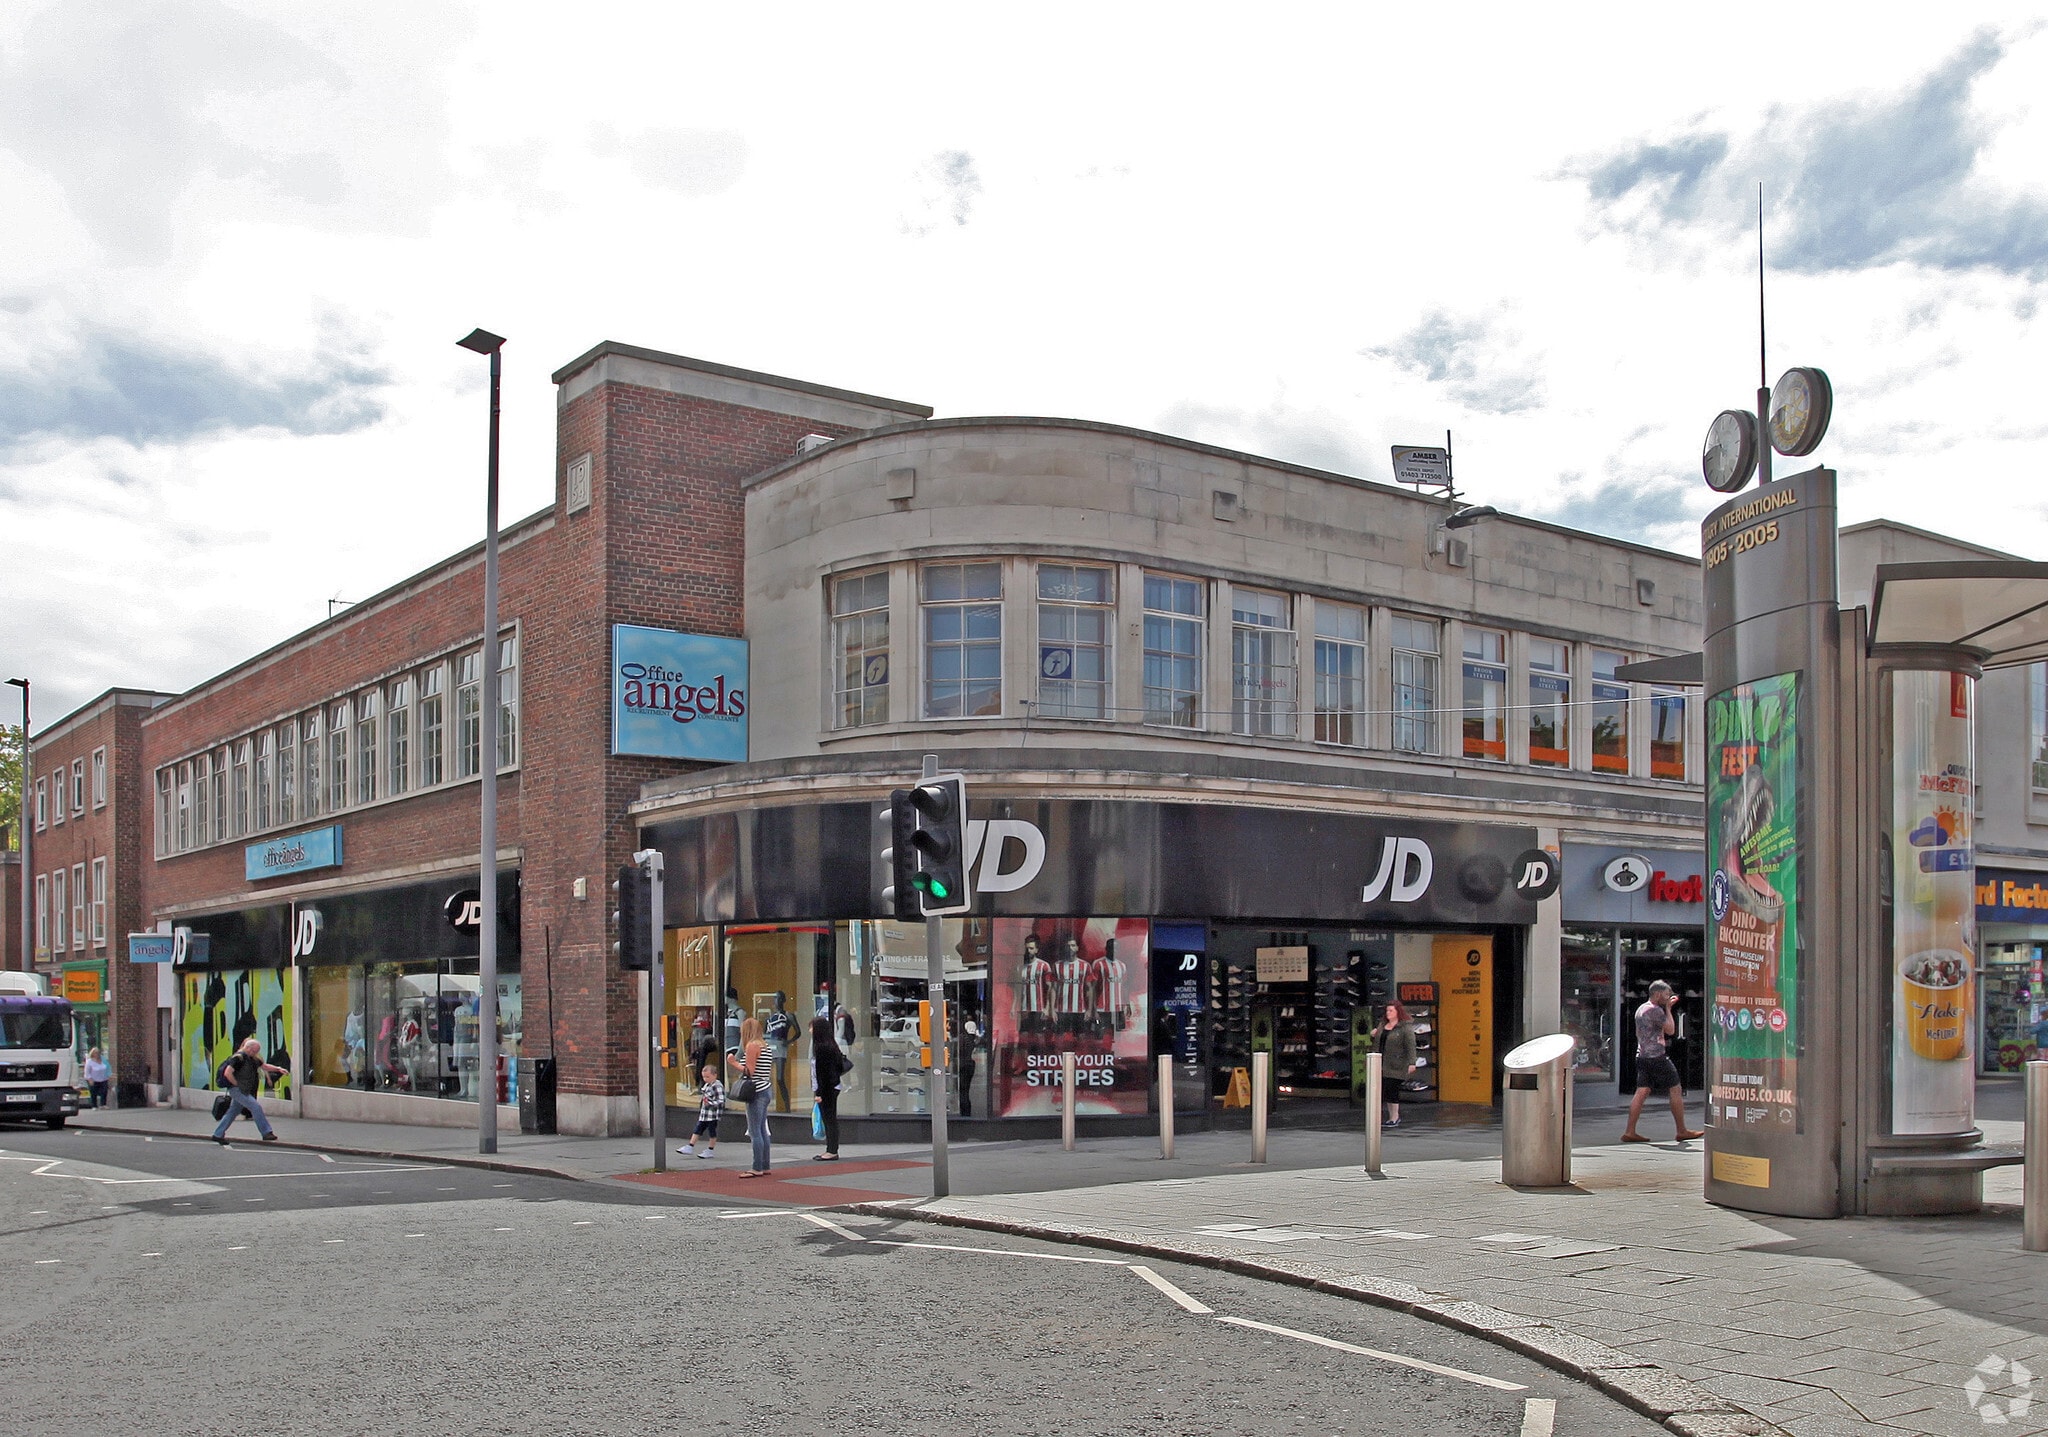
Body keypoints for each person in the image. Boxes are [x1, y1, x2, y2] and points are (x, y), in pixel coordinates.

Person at [1623, 980, 1704, 1143]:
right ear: (1658, 994)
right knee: (1675, 1089)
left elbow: (1642, 1032)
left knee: (1642, 1091)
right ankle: (1681, 1130)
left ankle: (1630, 1131)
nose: (1668, 998)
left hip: (1642, 1055)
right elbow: (1671, 1030)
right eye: (1667, 995)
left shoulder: (1641, 1009)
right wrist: (1668, 1008)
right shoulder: (1655, 1010)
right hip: (1657, 1056)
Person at [212, 1037, 285, 1144]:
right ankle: (266, 1132)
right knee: (255, 1107)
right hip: (238, 1090)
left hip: (242, 1089)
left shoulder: (252, 1058)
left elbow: (264, 1066)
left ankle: (218, 1134)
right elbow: (228, 1073)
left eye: (256, 1051)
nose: (255, 1053)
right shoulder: (237, 1058)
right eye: (255, 1051)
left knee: (233, 1112)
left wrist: (278, 1069)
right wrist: (236, 1084)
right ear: (249, 1048)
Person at [727, 1016, 776, 1177]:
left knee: (755, 1131)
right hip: (766, 1088)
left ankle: (756, 1167)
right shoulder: (765, 1046)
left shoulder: (752, 1046)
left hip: (755, 1090)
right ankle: (765, 1165)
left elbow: (750, 1071)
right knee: (762, 1129)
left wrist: (734, 1063)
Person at [809, 1015, 849, 1161]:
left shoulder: (821, 1048)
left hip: (827, 1088)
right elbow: (837, 1067)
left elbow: (822, 1073)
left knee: (829, 1118)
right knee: (829, 1118)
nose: (810, 1030)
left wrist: (819, 1093)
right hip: (833, 1086)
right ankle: (831, 1149)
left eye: (812, 1027)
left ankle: (831, 1150)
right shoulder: (831, 1045)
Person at [1373, 1002, 1418, 1129]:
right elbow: (1378, 1042)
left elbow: (1410, 1046)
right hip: (1381, 1061)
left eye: (1391, 1011)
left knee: (1392, 1088)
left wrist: (1412, 1062)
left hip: (1396, 1063)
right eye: (1387, 1011)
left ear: (1398, 1012)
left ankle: (1395, 1116)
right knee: (1385, 1090)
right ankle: (1390, 1116)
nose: (1388, 1013)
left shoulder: (1404, 1027)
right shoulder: (1382, 1025)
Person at [678, 1063, 723, 1159]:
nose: (705, 1079)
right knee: (697, 1129)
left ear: (715, 1075)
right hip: (704, 1114)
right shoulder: (707, 1085)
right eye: (704, 1077)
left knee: (712, 1132)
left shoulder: (717, 1086)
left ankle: (710, 1150)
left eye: (707, 1077)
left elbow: (721, 1100)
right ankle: (690, 1146)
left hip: (712, 1115)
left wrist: (710, 1103)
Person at [765, 991, 800, 1110]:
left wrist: (789, 1041)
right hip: (770, 1045)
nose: (776, 1001)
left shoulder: (788, 1016)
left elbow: (798, 1032)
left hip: (781, 1046)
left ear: (783, 1000)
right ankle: (766, 1103)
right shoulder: (770, 1018)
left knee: (780, 1078)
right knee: (765, 1077)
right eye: (775, 998)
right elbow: (766, 1034)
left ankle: (787, 1106)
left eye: (779, 998)